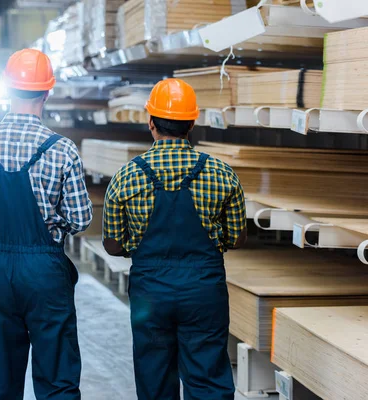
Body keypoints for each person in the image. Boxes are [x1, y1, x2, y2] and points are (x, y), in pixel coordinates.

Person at [0, 49, 92, 400]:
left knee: (0, 378)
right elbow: (81, 218)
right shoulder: (62, 150)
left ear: (7, 90)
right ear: (47, 92)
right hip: (45, 273)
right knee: (57, 375)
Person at [102, 78, 247, 400]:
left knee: (154, 374)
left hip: (150, 292)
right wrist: (215, 242)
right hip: (203, 289)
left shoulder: (126, 176)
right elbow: (237, 238)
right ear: (192, 123)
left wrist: (135, 247)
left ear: (150, 122)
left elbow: (113, 244)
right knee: (207, 374)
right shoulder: (222, 173)